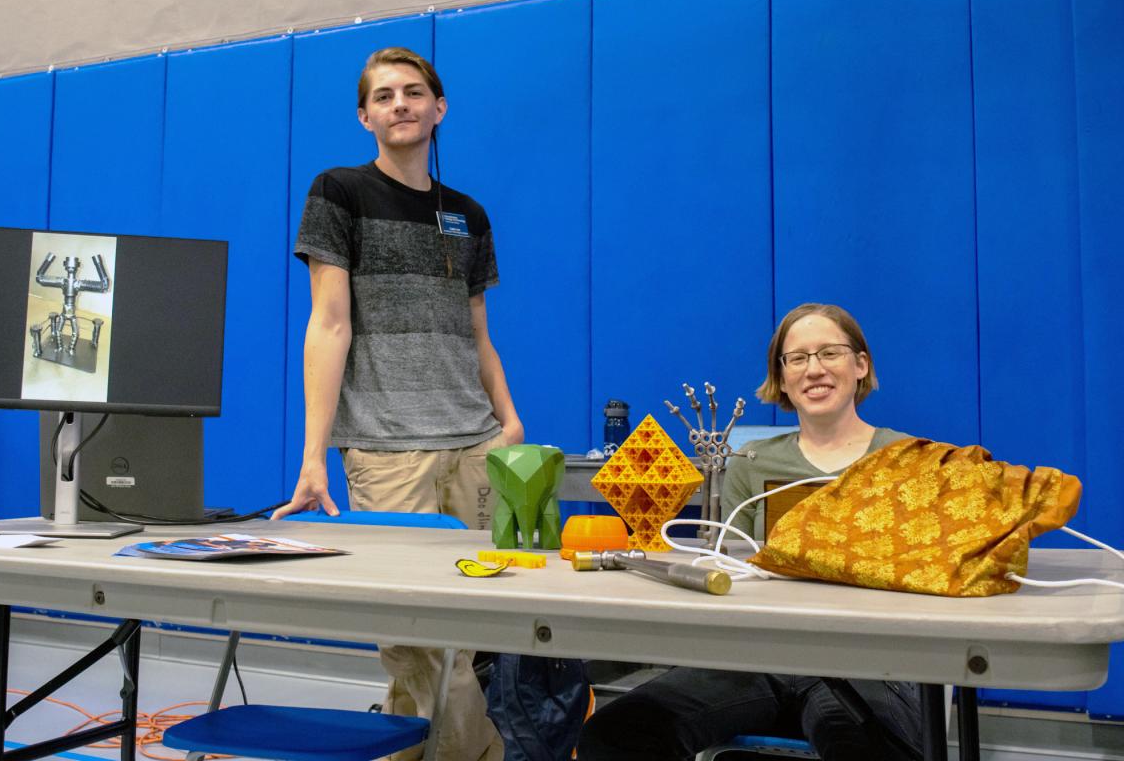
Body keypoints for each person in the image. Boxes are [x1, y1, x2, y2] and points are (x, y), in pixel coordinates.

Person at [274, 46, 524, 761]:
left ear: (438, 108)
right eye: (384, 96)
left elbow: (477, 333)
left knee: (464, 635)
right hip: (389, 449)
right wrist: (314, 454)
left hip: (476, 445)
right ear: (365, 116)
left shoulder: (468, 215)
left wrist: (509, 421)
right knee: (417, 636)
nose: (400, 104)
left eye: (414, 92)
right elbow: (328, 324)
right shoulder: (339, 193)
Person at [577, 303, 923, 761]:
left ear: (861, 365)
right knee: (615, 736)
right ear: (781, 377)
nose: (814, 369)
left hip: (869, 662)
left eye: (830, 353)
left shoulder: (907, 459)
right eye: (797, 358)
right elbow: (728, 577)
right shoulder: (750, 464)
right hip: (760, 660)